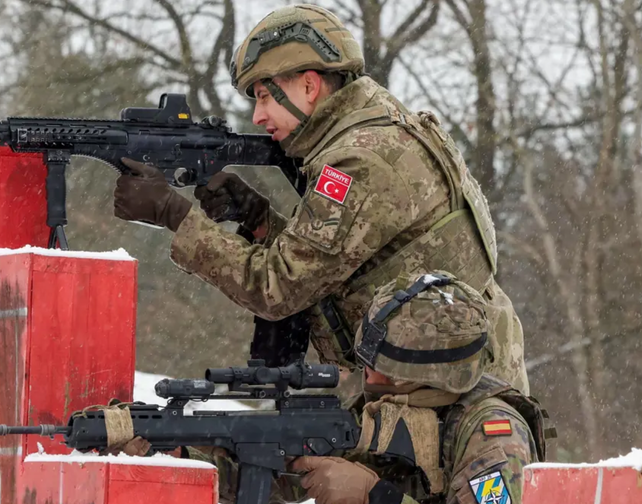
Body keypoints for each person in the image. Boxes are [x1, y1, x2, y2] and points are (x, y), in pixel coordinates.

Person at [112, 4, 529, 395]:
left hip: (450, 396)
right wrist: (260, 219)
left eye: (262, 95)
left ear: (309, 86)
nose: (257, 117)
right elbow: (343, 261)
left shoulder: (358, 159)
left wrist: (174, 213)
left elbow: (277, 288)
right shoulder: (379, 129)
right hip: (450, 381)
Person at [116, 272, 552, 504]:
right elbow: (281, 476)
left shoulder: (494, 432)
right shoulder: (384, 401)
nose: (366, 374)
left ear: (430, 375)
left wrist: (371, 495)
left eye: (380, 366)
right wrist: (180, 455)